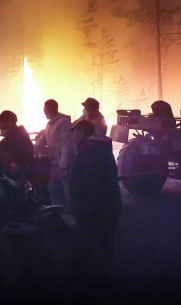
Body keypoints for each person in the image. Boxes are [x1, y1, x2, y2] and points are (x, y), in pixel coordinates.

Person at [68, 119, 122, 288]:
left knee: (87, 244)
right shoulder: (101, 149)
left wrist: (81, 208)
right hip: (110, 204)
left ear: (83, 132)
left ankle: (89, 281)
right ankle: (104, 276)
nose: (74, 137)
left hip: (92, 208)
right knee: (105, 242)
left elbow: (89, 183)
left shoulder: (88, 152)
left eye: (75, 132)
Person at [34, 99, 75, 206]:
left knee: (67, 191)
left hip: (65, 164)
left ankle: (71, 215)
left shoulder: (63, 123)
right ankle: (59, 212)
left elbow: (67, 144)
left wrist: (63, 165)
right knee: (54, 189)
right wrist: (33, 151)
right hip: (55, 163)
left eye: (45, 110)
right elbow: (43, 140)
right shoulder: (50, 124)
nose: (44, 113)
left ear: (50, 109)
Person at [0, 110, 34, 181]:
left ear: (9, 123)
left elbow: (26, 161)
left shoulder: (20, 141)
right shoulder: (6, 141)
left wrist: (17, 166)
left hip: (15, 184)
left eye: (1, 122)